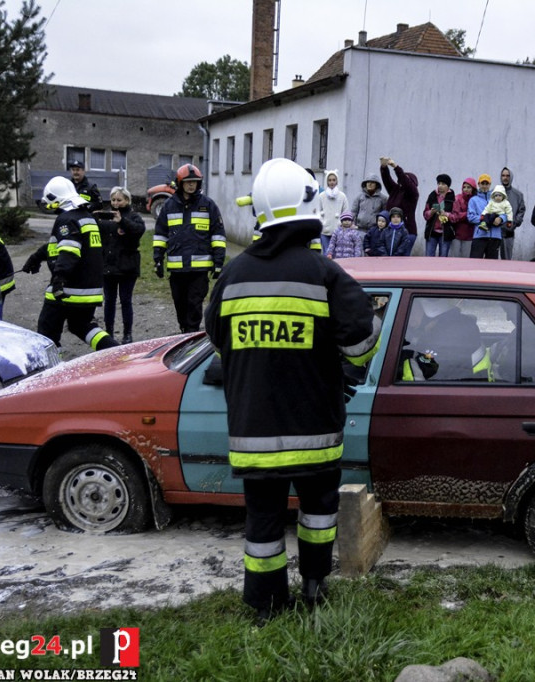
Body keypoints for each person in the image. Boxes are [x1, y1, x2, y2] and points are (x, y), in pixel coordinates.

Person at [204, 157, 380, 626]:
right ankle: (315, 588)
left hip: (254, 433)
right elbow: (364, 338)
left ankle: (264, 605)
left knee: (262, 521)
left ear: (262, 212)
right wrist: (346, 372)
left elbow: (215, 337)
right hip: (315, 429)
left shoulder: (233, 276)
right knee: (318, 512)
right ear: (309, 210)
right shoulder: (325, 273)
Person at [32, 177, 119, 351]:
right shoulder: (85, 217)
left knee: (46, 331)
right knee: (81, 325)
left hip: (69, 288)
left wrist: (59, 279)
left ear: (56, 198)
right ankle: (115, 352)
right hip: (89, 289)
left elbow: (69, 250)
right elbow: (66, 246)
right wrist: (36, 257)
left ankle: (54, 369)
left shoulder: (66, 219)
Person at [153, 164, 226, 333]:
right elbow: (160, 235)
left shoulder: (208, 205)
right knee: (180, 304)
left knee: (194, 304)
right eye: (188, 182)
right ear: (180, 183)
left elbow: (218, 235)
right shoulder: (169, 206)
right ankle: (184, 331)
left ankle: (190, 335)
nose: (191, 185)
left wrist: (218, 262)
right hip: (177, 269)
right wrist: (158, 259)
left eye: (194, 182)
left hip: (199, 269)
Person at [97, 186, 146, 344]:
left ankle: (127, 333)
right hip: (108, 266)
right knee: (109, 300)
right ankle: (109, 332)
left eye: (119, 200)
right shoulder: (105, 217)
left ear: (127, 200)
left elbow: (139, 230)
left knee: (126, 300)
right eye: (113, 200)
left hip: (127, 267)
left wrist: (122, 221)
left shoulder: (134, 216)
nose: (116, 203)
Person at [399, 297, 487, 382]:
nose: (410, 317)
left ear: (431, 312)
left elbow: (426, 368)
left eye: (414, 311)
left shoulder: (448, 338)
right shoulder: (434, 332)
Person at [379, 157, 420, 240]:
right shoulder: (396, 190)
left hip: (407, 232)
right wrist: (384, 167)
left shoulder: (413, 193)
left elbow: (406, 182)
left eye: (406, 179)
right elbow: (387, 180)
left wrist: (395, 167)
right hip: (392, 231)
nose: (401, 181)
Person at [467, 174, 502, 259]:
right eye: (483, 183)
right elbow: (470, 217)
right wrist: (483, 218)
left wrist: (500, 219)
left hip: (495, 236)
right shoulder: (473, 200)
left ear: (490, 185)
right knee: (475, 263)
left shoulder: (497, 199)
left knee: (492, 266)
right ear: (479, 184)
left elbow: (505, 213)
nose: (485, 186)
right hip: (480, 236)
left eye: (487, 184)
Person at [422, 174, 455, 257]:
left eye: (443, 184)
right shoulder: (432, 195)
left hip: (445, 232)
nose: (440, 186)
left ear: (448, 186)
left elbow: (456, 216)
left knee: (443, 258)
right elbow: (425, 214)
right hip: (431, 232)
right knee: (429, 257)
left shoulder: (453, 198)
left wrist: (446, 214)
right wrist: (431, 212)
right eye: (439, 183)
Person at [317, 169, 349, 253]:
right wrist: (322, 223)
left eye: (334, 180)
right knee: (326, 253)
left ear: (337, 181)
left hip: (338, 231)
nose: (332, 182)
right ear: (327, 182)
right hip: (325, 231)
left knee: (337, 254)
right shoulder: (321, 196)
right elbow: (317, 212)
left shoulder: (342, 196)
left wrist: (342, 224)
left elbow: (346, 212)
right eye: (329, 180)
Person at [499, 167, 526, 260]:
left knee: (506, 260)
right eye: (503, 175)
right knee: (492, 261)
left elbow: (521, 210)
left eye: (507, 175)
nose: (505, 178)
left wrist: (515, 223)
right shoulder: (494, 192)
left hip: (508, 232)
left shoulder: (518, 195)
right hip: (495, 232)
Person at [449, 178, 477, 259]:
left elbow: (476, 216)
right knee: (455, 259)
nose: (466, 189)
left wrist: (464, 215)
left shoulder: (475, 200)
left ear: (473, 188)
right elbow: (455, 216)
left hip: (470, 235)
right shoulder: (457, 198)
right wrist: (468, 215)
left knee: (466, 259)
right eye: (464, 187)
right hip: (456, 234)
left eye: (469, 187)